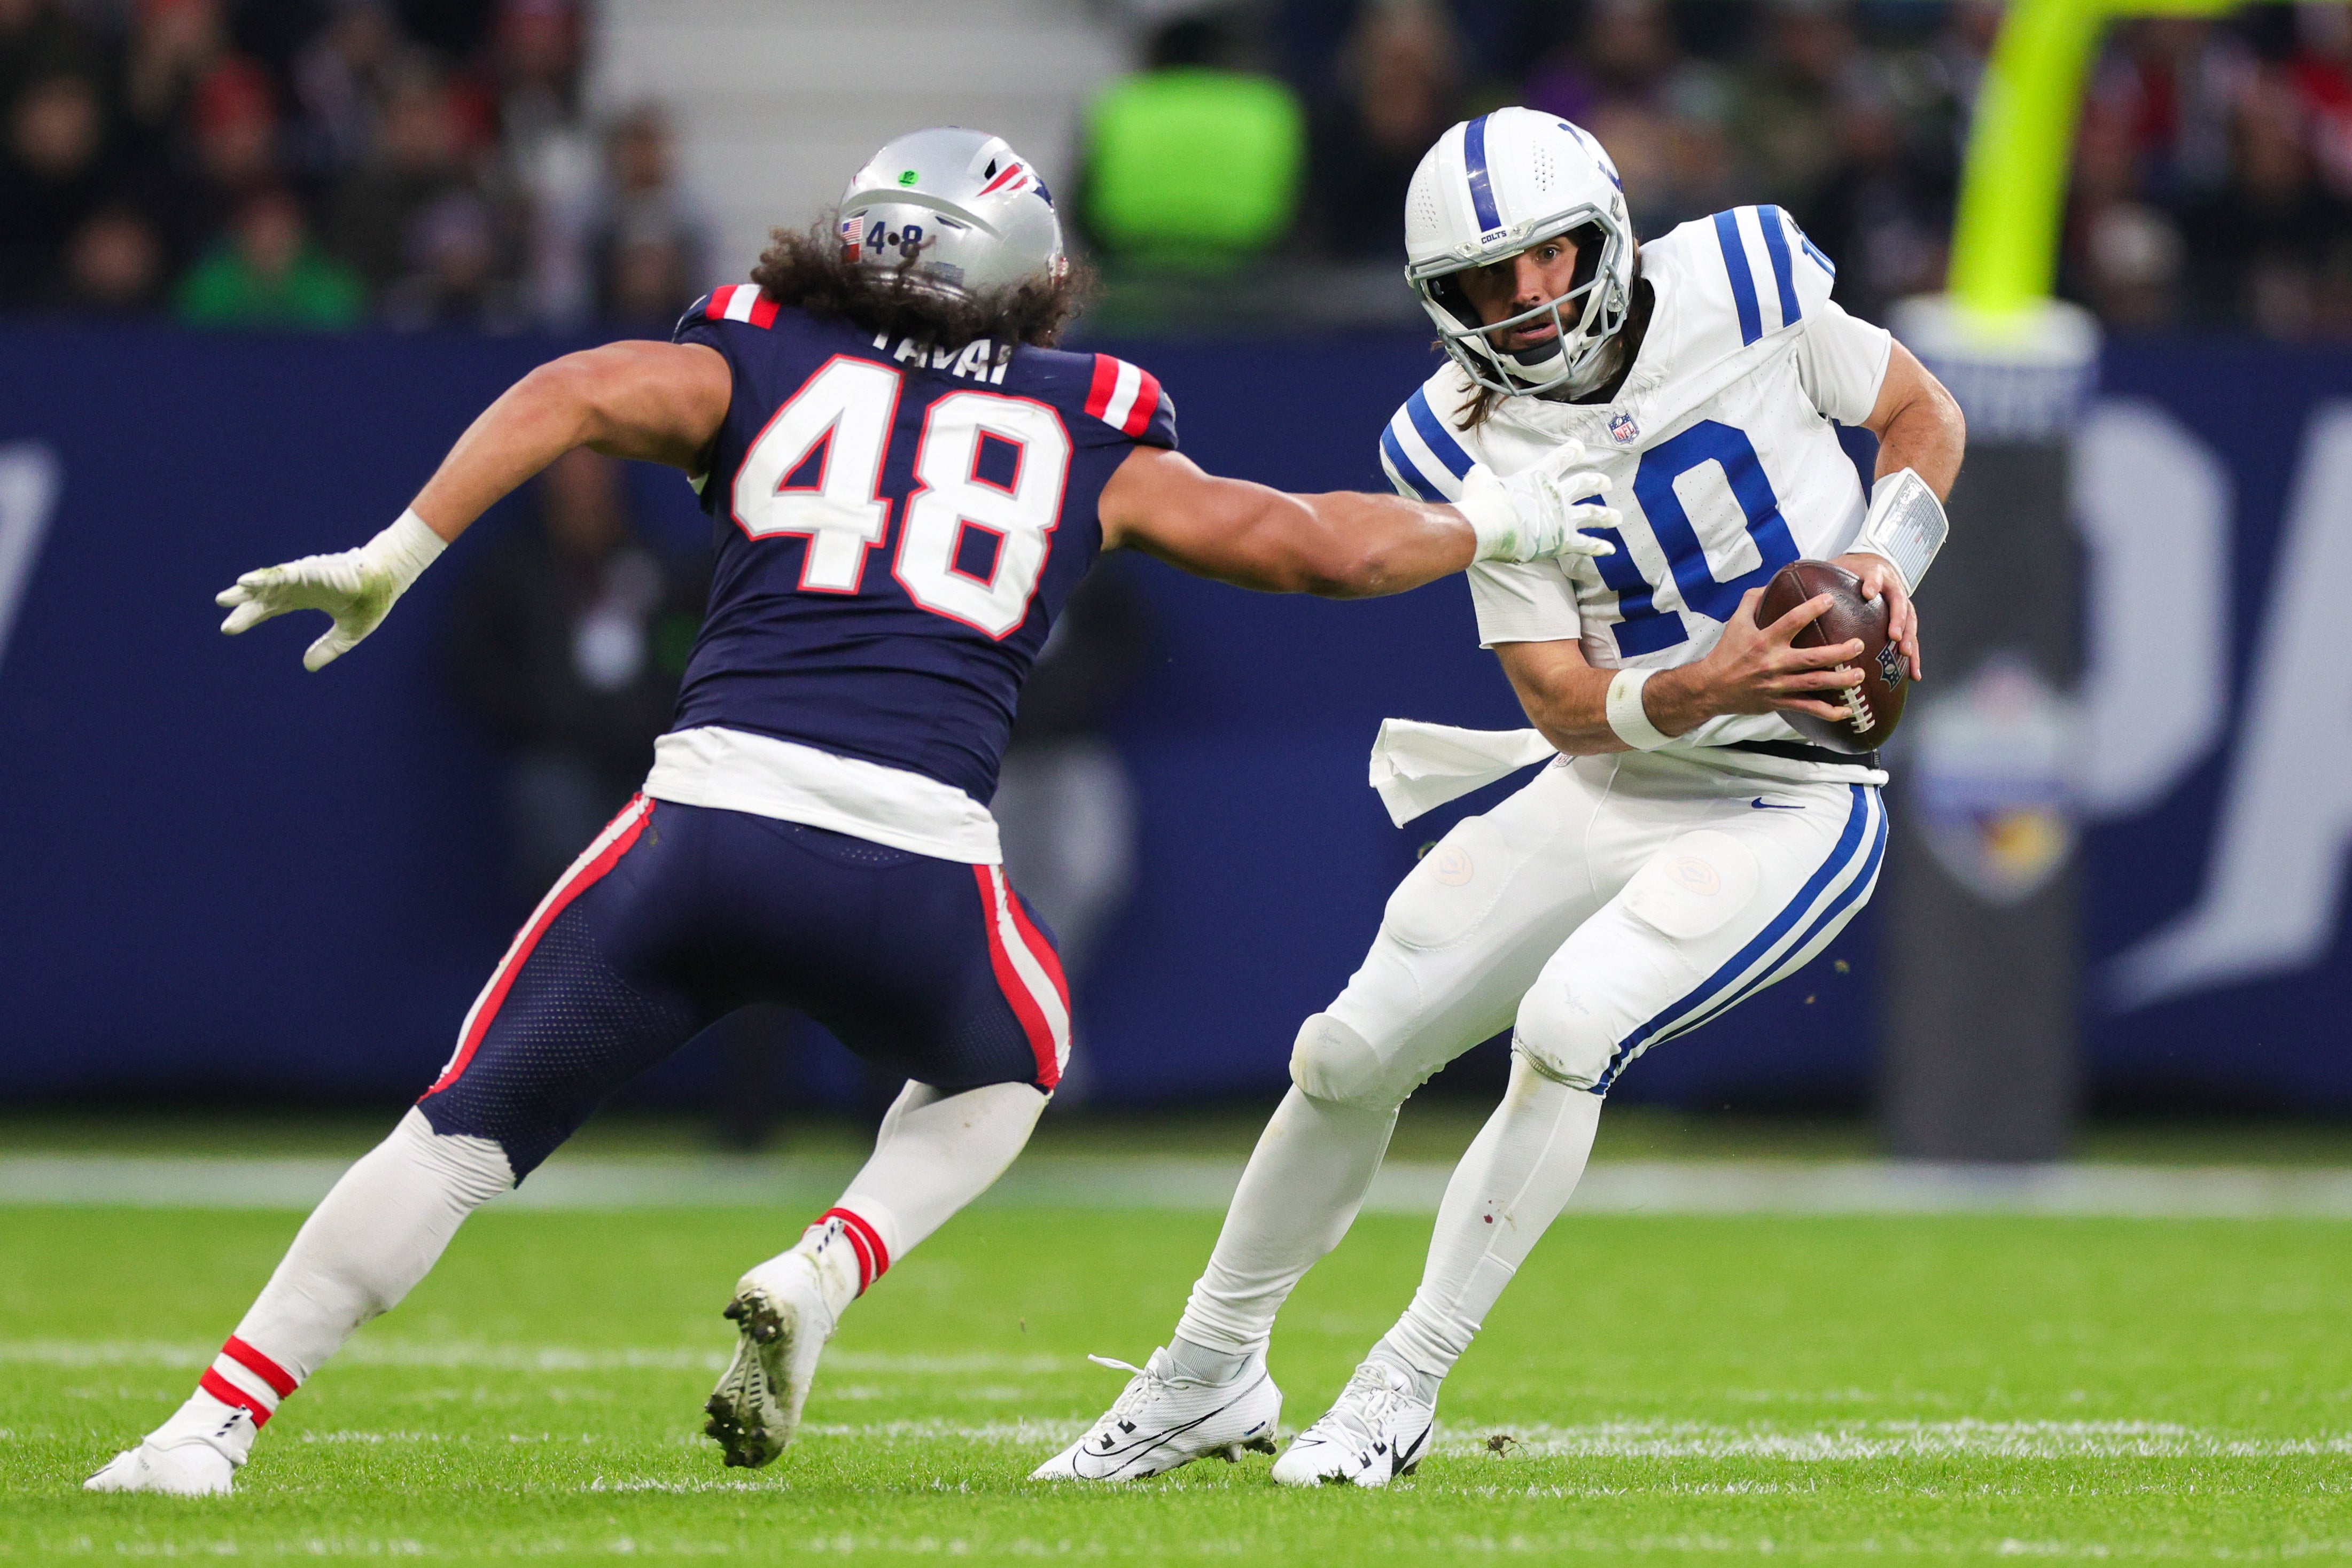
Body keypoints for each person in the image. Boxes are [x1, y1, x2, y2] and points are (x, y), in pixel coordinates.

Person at [85, 124, 1618, 1498]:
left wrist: (393, 553)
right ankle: (828, 1266)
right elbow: (1311, 552)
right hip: (915, 861)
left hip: (694, 836)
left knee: (458, 1134)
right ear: (1024, 272)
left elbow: (567, 391)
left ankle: (206, 1428)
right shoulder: (1087, 418)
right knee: (1014, 1064)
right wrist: (1504, 511)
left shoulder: (758, 357)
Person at [1040, 106, 1964, 1487]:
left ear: (1608, 232)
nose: (1525, 300)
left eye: (1547, 260)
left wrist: (1886, 554)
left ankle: (1396, 1390)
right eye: (1485, 280)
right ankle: (1206, 1374)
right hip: (1607, 771)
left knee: (1568, 1025)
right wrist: (1700, 685)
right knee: (1343, 1053)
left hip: (1792, 801)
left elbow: (1916, 413)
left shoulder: (1744, 278)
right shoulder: (1454, 437)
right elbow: (1555, 701)